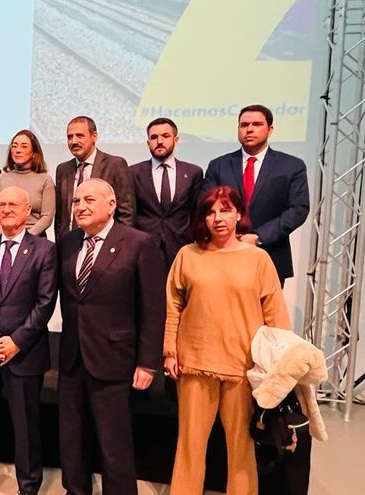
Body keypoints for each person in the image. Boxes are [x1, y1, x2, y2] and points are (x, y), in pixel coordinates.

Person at [164, 185, 291, 495]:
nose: (217, 218)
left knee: (241, 447)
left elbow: (276, 316)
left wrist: (278, 367)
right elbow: (173, 305)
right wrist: (170, 351)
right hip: (194, 363)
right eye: (210, 212)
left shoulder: (258, 259)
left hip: (243, 367)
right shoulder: (187, 255)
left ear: (238, 214)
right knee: (190, 445)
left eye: (225, 210)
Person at [56, 178, 164, 494]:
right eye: (76, 201)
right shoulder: (68, 242)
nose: (80, 207)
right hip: (72, 357)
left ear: (111, 204)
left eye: (89, 199)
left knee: (113, 444)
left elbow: (153, 309)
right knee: (72, 440)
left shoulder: (139, 243)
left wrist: (147, 363)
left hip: (115, 359)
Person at [0, 186, 57, 495]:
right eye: (1, 205)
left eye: (12, 204)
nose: (5, 210)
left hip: (24, 353)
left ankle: (28, 485)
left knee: (26, 425)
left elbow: (45, 303)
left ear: (28, 210)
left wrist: (16, 341)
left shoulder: (44, 250)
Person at [203, 104, 309, 286]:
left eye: (256, 124)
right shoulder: (219, 165)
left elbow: (298, 209)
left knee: (263, 314)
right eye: (244, 125)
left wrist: (258, 237)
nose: (249, 129)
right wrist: (231, 238)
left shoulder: (291, 166)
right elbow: (205, 205)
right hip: (223, 255)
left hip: (270, 254)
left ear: (270, 129)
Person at [130, 117, 203, 270]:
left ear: (176, 139)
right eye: (154, 137)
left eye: (165, 136)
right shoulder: (133, 172)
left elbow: (197, 212)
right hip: (144, 248)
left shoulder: (193, 172)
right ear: (148, 142)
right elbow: (130, 212)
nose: (160, 141)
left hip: (182, 247)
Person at [55, 116, 135, 237]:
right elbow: (60, 216)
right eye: (69, 137)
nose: (73, 141)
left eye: (79, 136)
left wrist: (119, 244)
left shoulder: (115, 165)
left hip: (106, 244)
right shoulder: (63, 169)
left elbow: (126, 213)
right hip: (70, 246)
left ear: (94, 137)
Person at [0, 130, 55, 237]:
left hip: (34, 240)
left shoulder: (45, 180)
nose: (18, 150)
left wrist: (24, 238)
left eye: (24, 146)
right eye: (14, 146)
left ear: (34, 153)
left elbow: (47, 216)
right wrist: (3, 236)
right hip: (4, 239)